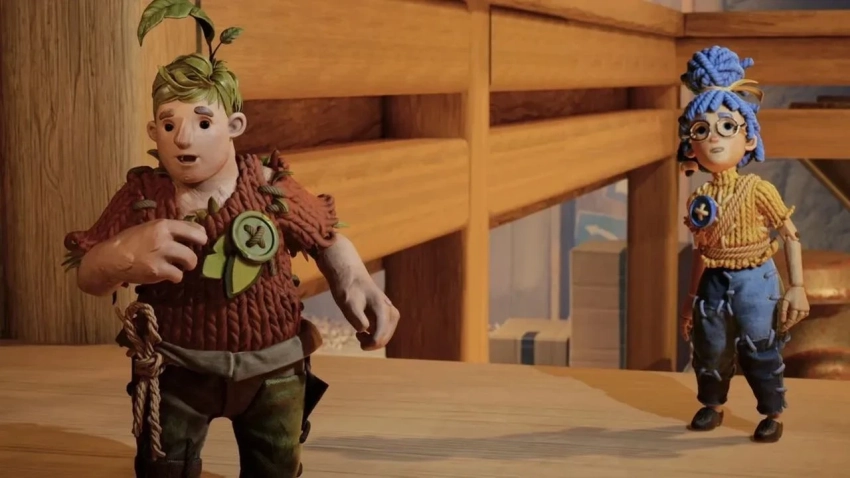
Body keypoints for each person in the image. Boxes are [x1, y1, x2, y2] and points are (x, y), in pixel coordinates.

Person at [62, 2, 400, 476]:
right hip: (176, 368)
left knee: (275, 466)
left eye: (203, 122)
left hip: (273, 369)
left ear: (234, 127)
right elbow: (88, 275)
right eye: (169, 124)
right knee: (164, 467)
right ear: (153, 131)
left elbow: (324, 236)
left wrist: (354, 279)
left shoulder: (268, 187)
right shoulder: (143, 196)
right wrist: (119, 255)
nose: (184, 138)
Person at [678, 46, 809, 443]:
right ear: (691, 146)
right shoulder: (700, 198)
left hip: (756, 279)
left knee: (759, 347)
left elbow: (789, 235)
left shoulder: (757, 189)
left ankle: (772, 411)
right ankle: (712, 404)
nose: (714, 138)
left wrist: (798, 286)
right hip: (714, 282)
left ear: (749, 137)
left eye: (726, 126)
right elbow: (701, 249)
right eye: (702, 130)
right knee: (710, 347)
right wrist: (691, 298)